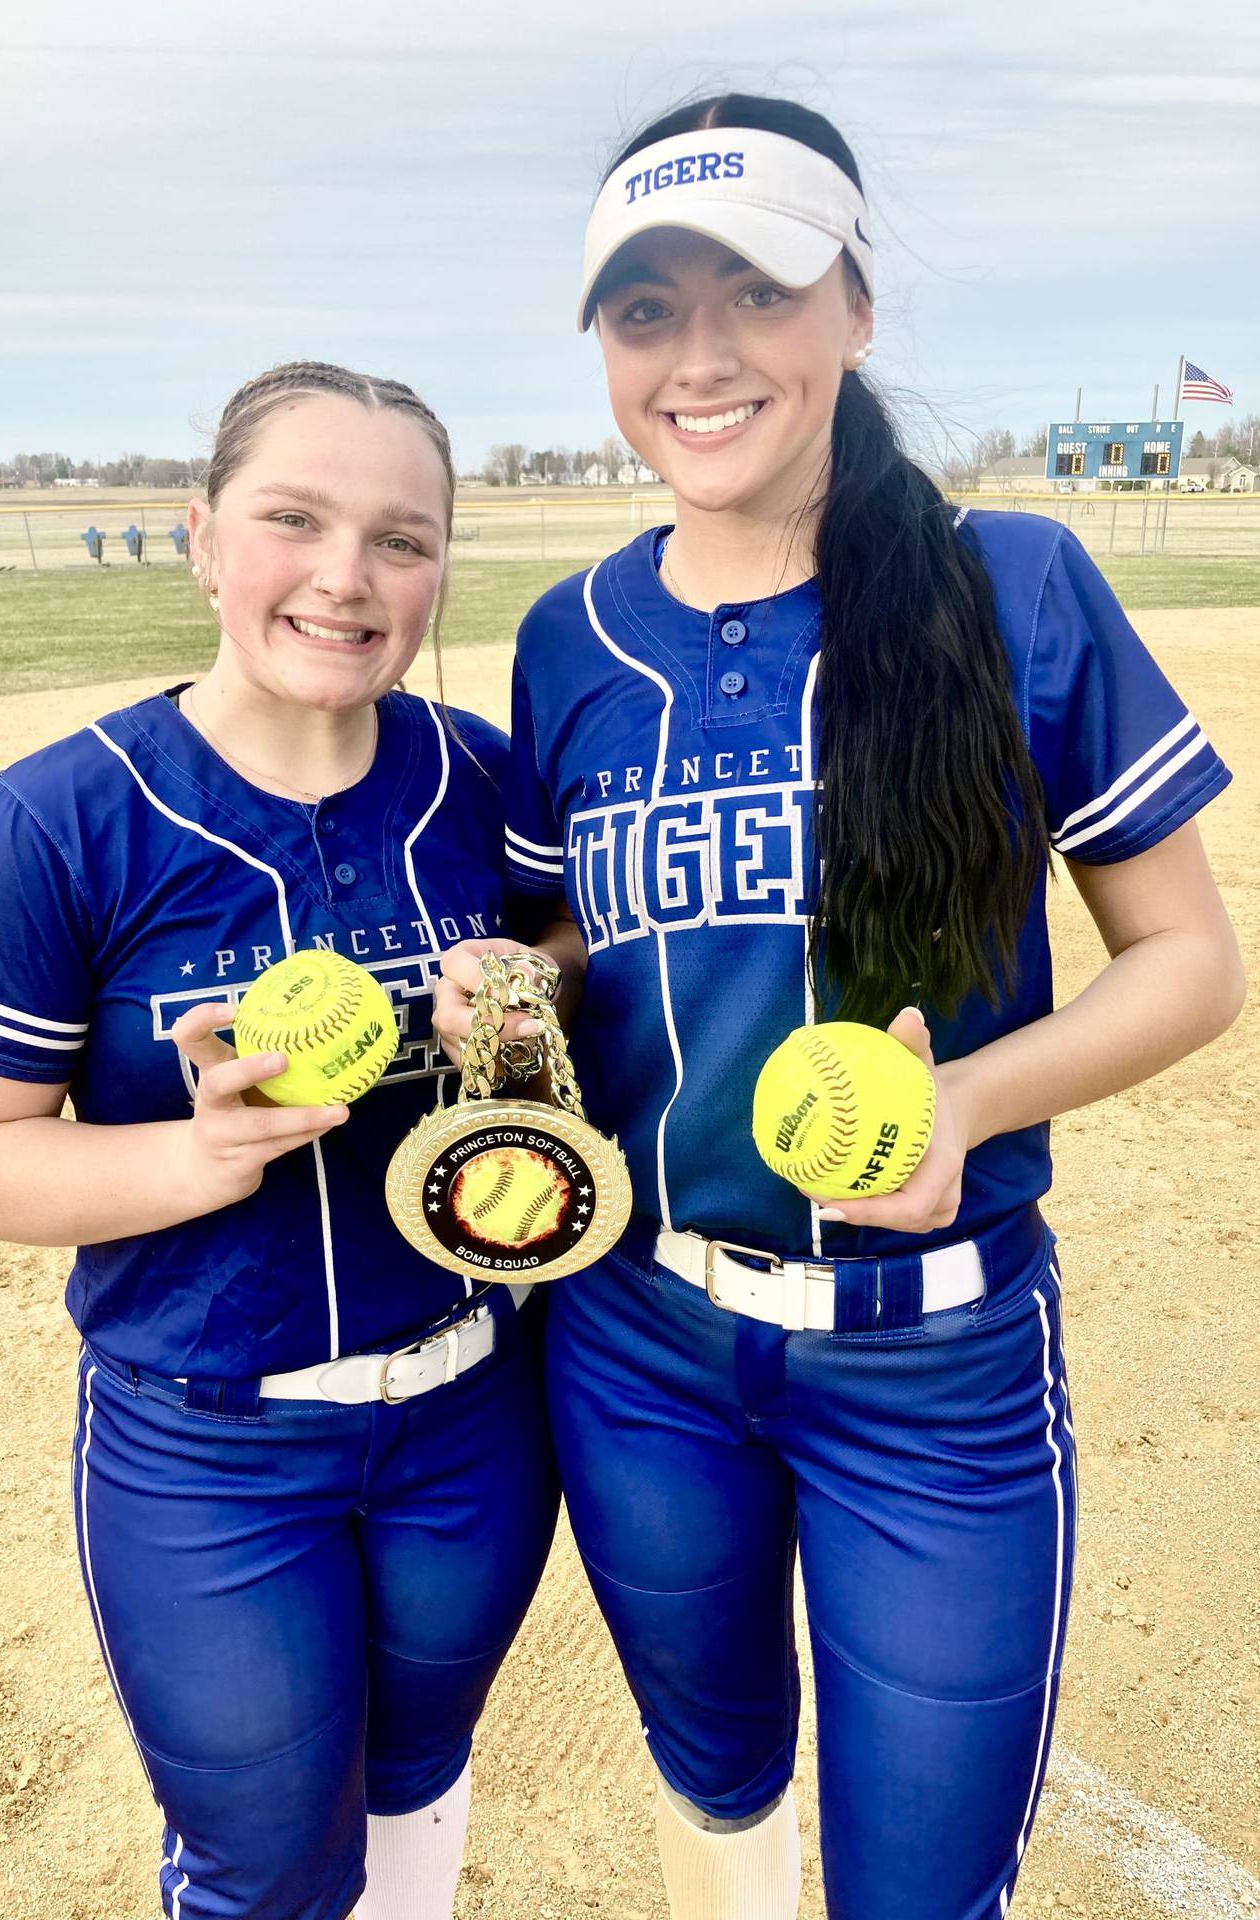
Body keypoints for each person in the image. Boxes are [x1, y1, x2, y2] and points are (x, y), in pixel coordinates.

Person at [436, 96, 1244, 1920]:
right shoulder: (571, 636)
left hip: (932, 1365)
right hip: (638, 1344)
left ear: (856, 312)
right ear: (604, 350)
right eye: (647, 312)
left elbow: (1192, 964)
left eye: (760, 292)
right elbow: (593, 937)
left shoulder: (1006, 582)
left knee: (925, 1874)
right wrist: (520, 977)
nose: (702, 356)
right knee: (714, 1775)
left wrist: (964, 1102)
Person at [0, 360, 559, 1920]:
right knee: (263, 1869)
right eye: (293, 519)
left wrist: (527, 997)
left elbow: (573, 963)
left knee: (421, 1781)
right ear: (202, 538)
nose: (347, 575)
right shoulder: (59, 820)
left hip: (471, 1416)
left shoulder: (480, 783)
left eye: (403, 537)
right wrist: (185, 1161)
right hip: (210, 1452)